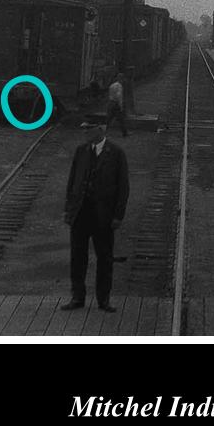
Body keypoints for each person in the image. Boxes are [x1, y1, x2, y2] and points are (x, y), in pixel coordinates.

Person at [62, 124, 130, 313]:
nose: (85, 133)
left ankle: (104, 300)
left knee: (105, 259)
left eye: (89, 129)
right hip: (80, 214)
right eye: (84, 130)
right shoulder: (81, 151)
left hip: (104, 216)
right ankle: (77, 297)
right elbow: (72, 181)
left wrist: (118, 215)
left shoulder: (116, 153)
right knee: (77, 257)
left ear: (101, 130)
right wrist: (68, 209)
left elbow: (123, 187)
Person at [105, 72, 128, 138]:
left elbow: (109, 95)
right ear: (121, 79)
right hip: (116, 104)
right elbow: (119, 96)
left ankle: (103, 132)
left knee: (108, 119)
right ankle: (124, 133)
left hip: (110, 103)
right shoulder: (119, 86)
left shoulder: (112, 85)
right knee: (121, 119)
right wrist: (121, 105)